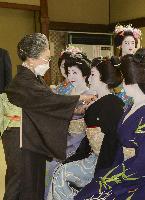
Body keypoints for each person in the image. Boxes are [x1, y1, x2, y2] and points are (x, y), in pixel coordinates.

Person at [5, 33, 95, 200]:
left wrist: (74, 110)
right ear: (31, 60)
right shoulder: (23, 82)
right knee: (21, 185)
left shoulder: (33, 79)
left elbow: (43, 106)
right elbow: (48, 100)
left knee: (33, 183)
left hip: (30, 138)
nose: (48, 64)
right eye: (46, 60)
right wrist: (78, 99)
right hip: (21, 141)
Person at [74, 48, 145, 200]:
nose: (122, 83)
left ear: (134, 82)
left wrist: (113, 181)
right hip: (123, 171)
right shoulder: (131, 107)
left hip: (141, 183)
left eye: (125, 78)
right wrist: (107, 175)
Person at [48, 57, 124, 200]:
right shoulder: (99, 102)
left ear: (104, 78)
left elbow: (110, 142)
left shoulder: (113, 104)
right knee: (59, 169)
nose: (89, 78)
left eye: (93, 75)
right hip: (92, 155)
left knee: (62, 173)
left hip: (104, 161)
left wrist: (102, 172)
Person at [44, 49, 91, 199]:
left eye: (74, 73)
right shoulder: (70, 91)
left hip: (80, 141)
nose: (70, 76)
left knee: (54, 165)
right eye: (69, 72)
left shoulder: (89, 93)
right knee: (47, 162)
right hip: (65, 136)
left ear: (85, 74)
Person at [0, 93, 21, 200]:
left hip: (19, 131)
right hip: (12, 131)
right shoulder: (4, 97)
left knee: (15, 170)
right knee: (16, 170)